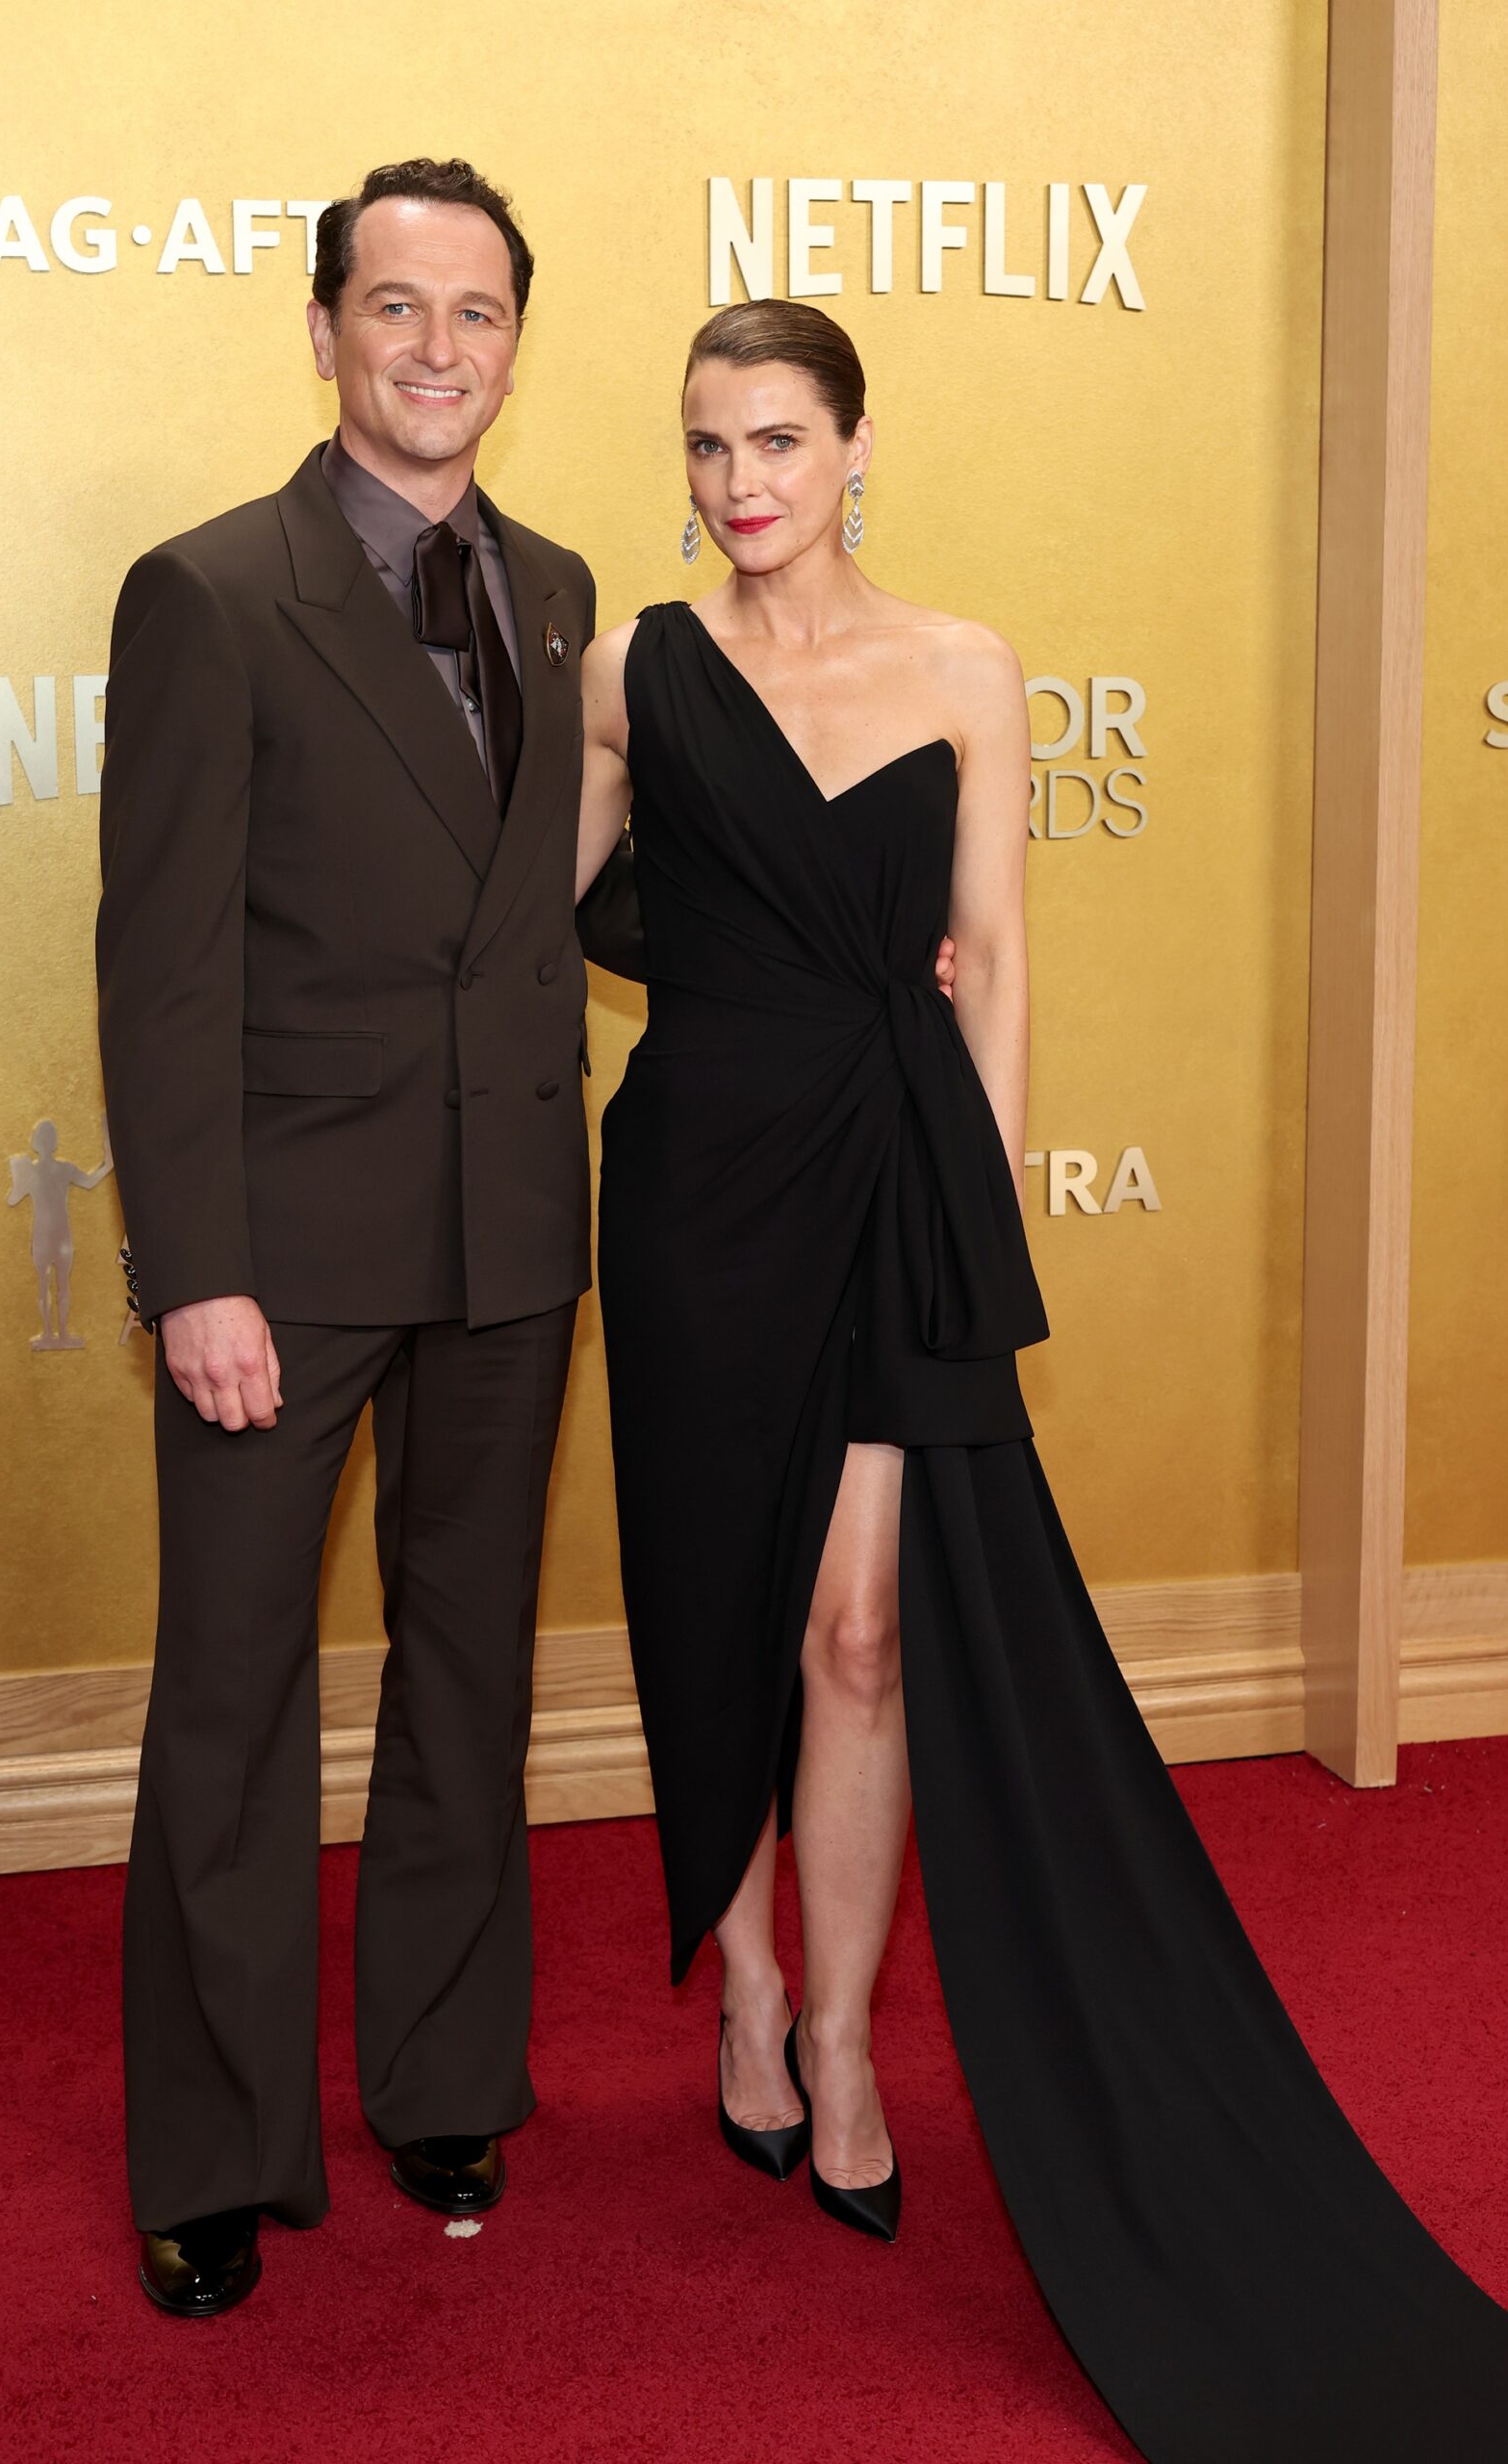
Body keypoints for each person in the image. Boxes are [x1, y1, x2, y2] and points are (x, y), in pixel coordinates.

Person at [576, 298, 1508, 2459]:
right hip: (699, 1185)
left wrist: (970, 1223)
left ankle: (844, 2039)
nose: (741, 482)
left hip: (893, 1177)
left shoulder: (964, 666)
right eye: (708, 443)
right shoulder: (631, 669)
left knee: (862, 1629)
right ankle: (743, 1987)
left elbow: (988, 959)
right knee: (716, 1604)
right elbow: (541, 901)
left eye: (779, 439)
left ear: (856, 448)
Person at [95, 156, 645, 2318]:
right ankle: (214, 2147)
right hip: (282, 1258)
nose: (438, 348)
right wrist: (192, 1269)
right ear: (324, 329)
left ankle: (439, 2074)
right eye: (396, 307)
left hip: (506, 1234)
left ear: (517, 341)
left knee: (470, 1671)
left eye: (477, 311)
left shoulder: (564, 586)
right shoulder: (211, 592)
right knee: (232, 1697)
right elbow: (159, 968)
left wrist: (859, 949)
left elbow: (548, 903)